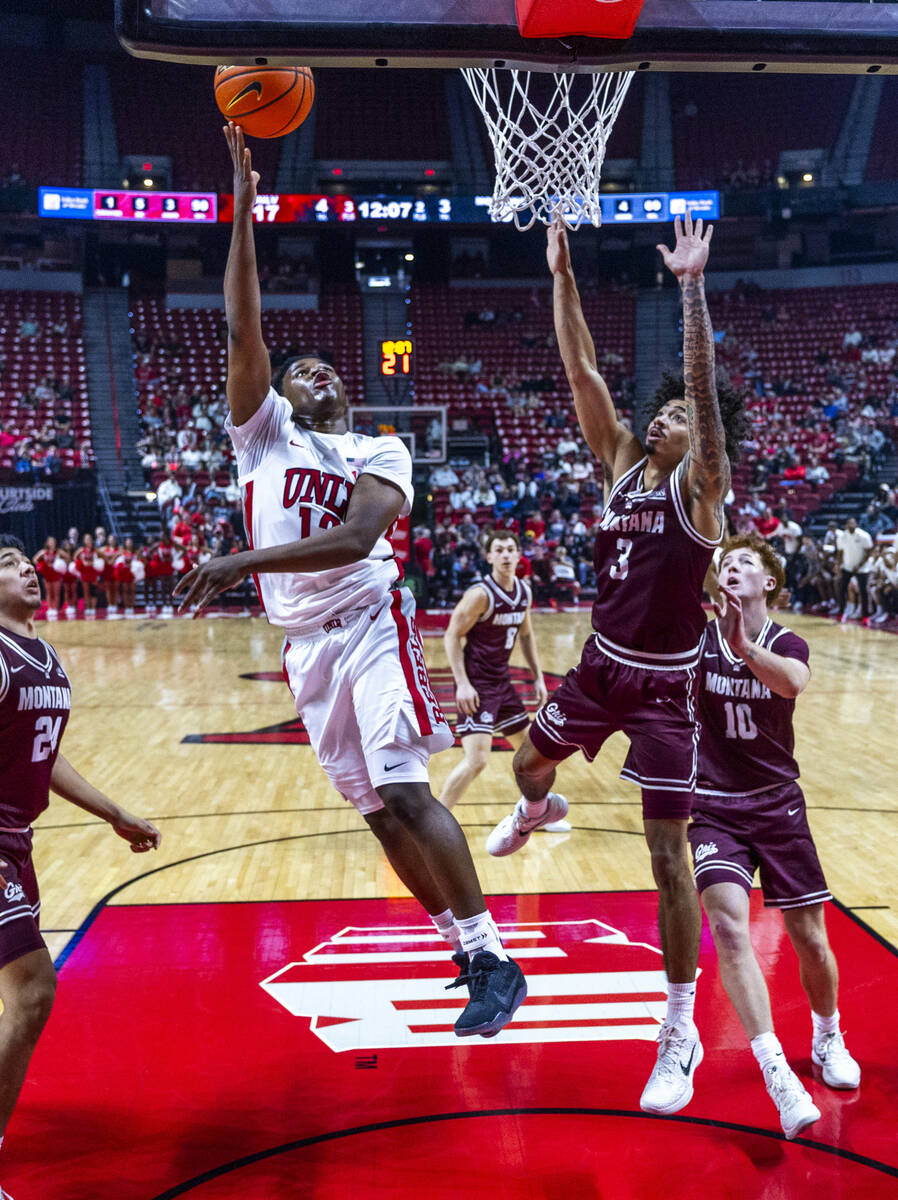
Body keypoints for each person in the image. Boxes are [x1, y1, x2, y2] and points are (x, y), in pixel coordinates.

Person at [173, 122, 527, 1040]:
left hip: (371, 622)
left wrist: (240, 562)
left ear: (346, 389)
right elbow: (243, 322)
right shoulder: (264, 436)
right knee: (377, 816)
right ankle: (460, 945)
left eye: (326, 365)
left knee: (408, 788)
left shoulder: (380, 445)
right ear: (279, 398)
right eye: (298, 368)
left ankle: (495, 956)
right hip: (304, 649)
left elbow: (362, 535)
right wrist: (245, 212)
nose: (312, 369)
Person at [486, 212, 748, 1115]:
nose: (665, 413)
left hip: (669, 688)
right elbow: (582, 369)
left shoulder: (702, 489)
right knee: (525, 766)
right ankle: (541, 807)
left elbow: (705, 403)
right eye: (662, 409)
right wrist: (560, 274)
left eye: (678, 415)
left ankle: (677, 1033)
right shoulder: (620, 467)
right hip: (601, 665)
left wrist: (689, 286)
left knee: (667, 858)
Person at [0, 534, 161, 1198]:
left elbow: (47, 756)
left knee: (23, 997)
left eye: (26, 561)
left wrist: (112, 812)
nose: (27, 569)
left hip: (17, 840)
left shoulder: (45, 657)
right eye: (7, 564)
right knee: (33, 992)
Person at [687, 535, 860, 1139]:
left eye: (747, 565)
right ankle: (775, 1070)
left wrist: (742, 647)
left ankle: (827, 1033)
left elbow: (792, 681)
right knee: (730, 928)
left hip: (777, 804)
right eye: (726, 562)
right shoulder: (696, 641)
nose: (733, 568)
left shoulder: (785, 640)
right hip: (713, 807)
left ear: (770, 586)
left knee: (810, 937)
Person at [440, 531, 566, 824]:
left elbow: (526, 635)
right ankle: (432, 824)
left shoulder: (524, 591)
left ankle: (536, 815)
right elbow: (450, 636)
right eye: (499, 550)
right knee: (477, 760)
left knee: (533, 759)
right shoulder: (480, 595)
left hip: (503, 684)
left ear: (519, 554)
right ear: (489, 557)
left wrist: (537, 677)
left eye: (511, 549)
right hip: (477, 686)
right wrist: (462, 683)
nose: (506, 555)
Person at [834, 517, 873, 623]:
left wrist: (860, 564)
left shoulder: (864, 536)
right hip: (847, 566)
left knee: (863, 591)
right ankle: (842, 612)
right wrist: (838, 564)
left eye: (852, 523)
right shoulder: (842, 536)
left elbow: (869, 551)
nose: (850, 525)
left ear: (856, 524)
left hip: (862, 568)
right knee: (841, 588)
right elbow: (840, 552)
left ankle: (865, 616)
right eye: (848, 523)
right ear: (846, 525)